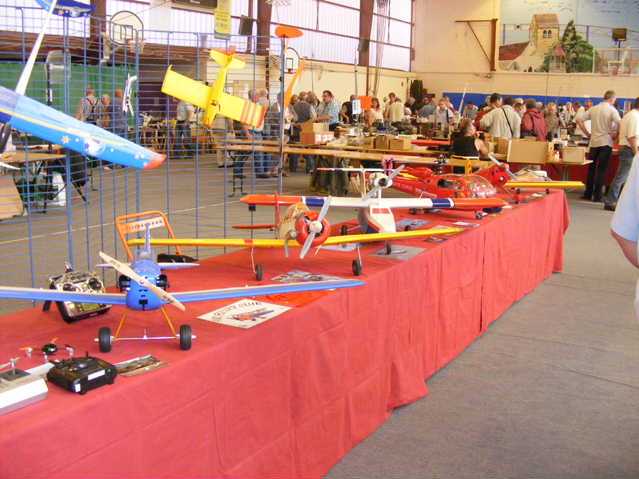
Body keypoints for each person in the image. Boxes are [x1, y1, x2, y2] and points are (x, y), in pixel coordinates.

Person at [577, 90, 622, 202]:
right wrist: (616, 135)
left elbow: (579, 120)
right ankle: (598, 196)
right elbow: (620, 123)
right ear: (612, 99)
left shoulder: (594, 108)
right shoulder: (612, 110)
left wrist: (587, 133)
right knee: (602, 170)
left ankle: (588, 194)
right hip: (606, 142)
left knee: (591, 169)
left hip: (593, 142)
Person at [604, 98, 639, 211]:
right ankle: (610, 202)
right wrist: (636, 153)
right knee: (621, 177)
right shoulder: (634, 116)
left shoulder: (631, 115)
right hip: (629, 149)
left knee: (624, 177)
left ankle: (615, 201)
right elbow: (632, 137)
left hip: (628, 148)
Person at [290, 93, 316, 173]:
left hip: (296, 130)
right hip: (306, 131)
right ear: (307, 98)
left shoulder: (294, 106)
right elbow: (314, 118)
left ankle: (293, 168)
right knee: (308, 150)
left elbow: (291, 118)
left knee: (294, 150)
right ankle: (309, 168)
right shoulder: (309, 106)